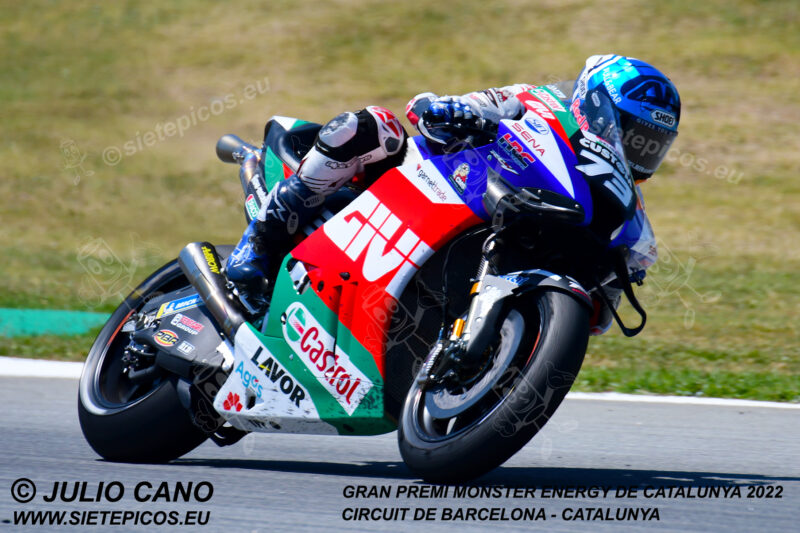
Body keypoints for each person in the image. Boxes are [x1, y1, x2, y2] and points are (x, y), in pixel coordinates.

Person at [225, 54, 681, 331]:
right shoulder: (539, 101)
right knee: (374, 126)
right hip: (419, 183)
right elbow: (429, 108)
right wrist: (452, 110)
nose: (640, 150)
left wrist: (612, 281)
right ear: (597, 106)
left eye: (653, 144)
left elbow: (598, 318)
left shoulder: (622, 204)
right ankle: (262, 240)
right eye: (633, 132)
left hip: (483, 235)